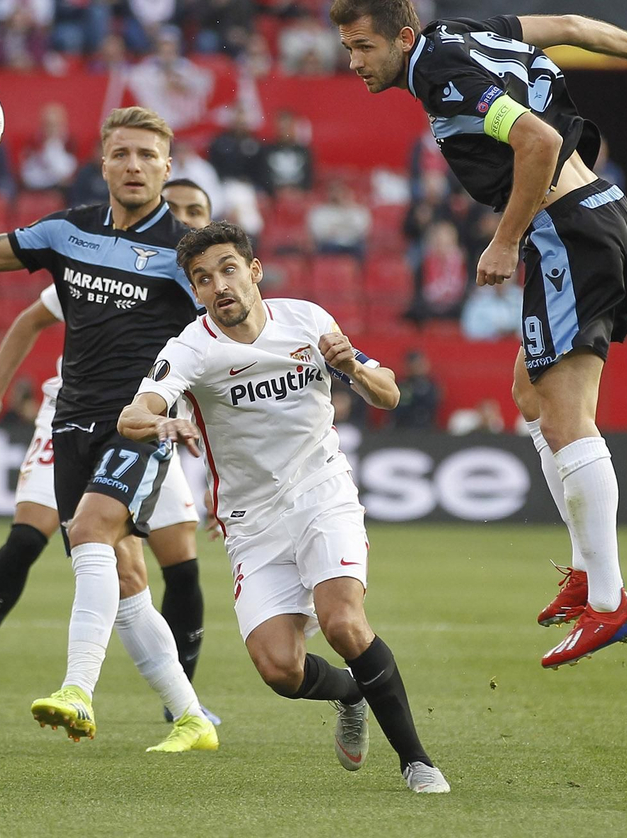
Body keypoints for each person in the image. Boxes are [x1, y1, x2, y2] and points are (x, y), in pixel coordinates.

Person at [330, 0, 627, 668]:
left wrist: (505, 238)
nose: (354, 61)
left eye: (363, 47)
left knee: (566, 418)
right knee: (530, 393)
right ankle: (585, 574)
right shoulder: (467, 33)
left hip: (566, 227)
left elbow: (535, 141)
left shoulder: (441, 71)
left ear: (403, 39)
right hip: (598, 212)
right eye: (348, 48)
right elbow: (566, 21)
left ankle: (608, 601)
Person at [117, 222, 449, 794]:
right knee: (280, 669)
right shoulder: (191, 350)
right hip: (251, 522)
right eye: (202, 278)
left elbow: (389, 392)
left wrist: (356, 370)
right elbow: (132, 416)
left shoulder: (308, 320)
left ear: (254, 271)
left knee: (344, 621)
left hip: (323, 491)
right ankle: (349, 692)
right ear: (195, 292)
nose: (218, 285)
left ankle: (417, 762)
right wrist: (165, 420)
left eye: (227, 269)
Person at [0, 106, 217, 752]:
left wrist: (194, 414)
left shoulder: (189, 251)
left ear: (167, 167)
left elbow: (229, 331)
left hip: (140, 423)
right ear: (104, 162)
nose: (135, 164)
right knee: (124, 577)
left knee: (90, 532)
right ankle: (192, 716)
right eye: (123, 153)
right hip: (72, 424)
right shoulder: (68, 230)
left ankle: (76, 689)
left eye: (148, 154)